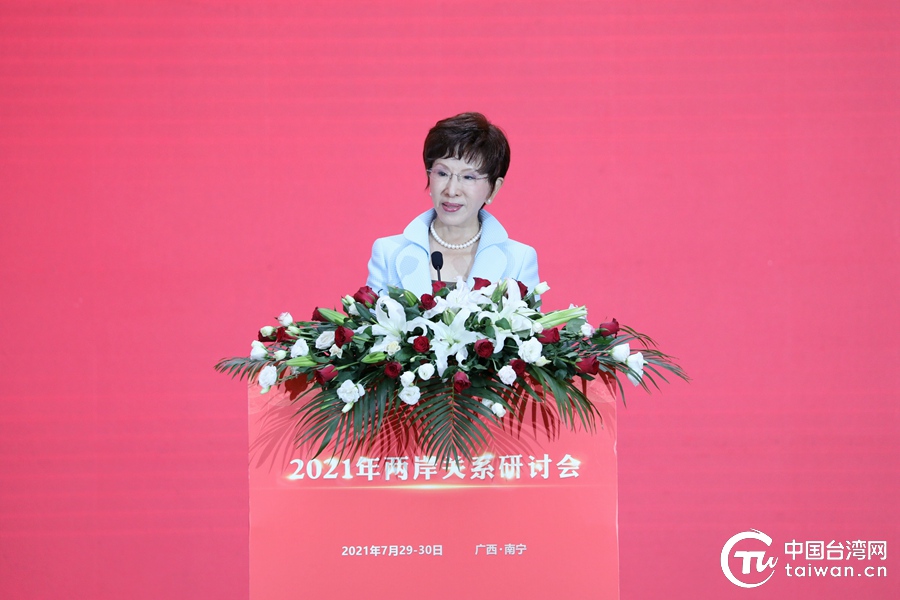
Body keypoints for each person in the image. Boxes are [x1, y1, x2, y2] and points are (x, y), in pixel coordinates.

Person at [366, 112, 539, 297]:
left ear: (493, 188)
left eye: (468, 177)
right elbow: (371, 315)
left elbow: (527, 317)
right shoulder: (388, 252)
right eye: (442, 173)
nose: (451, 190)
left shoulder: (519, 260)